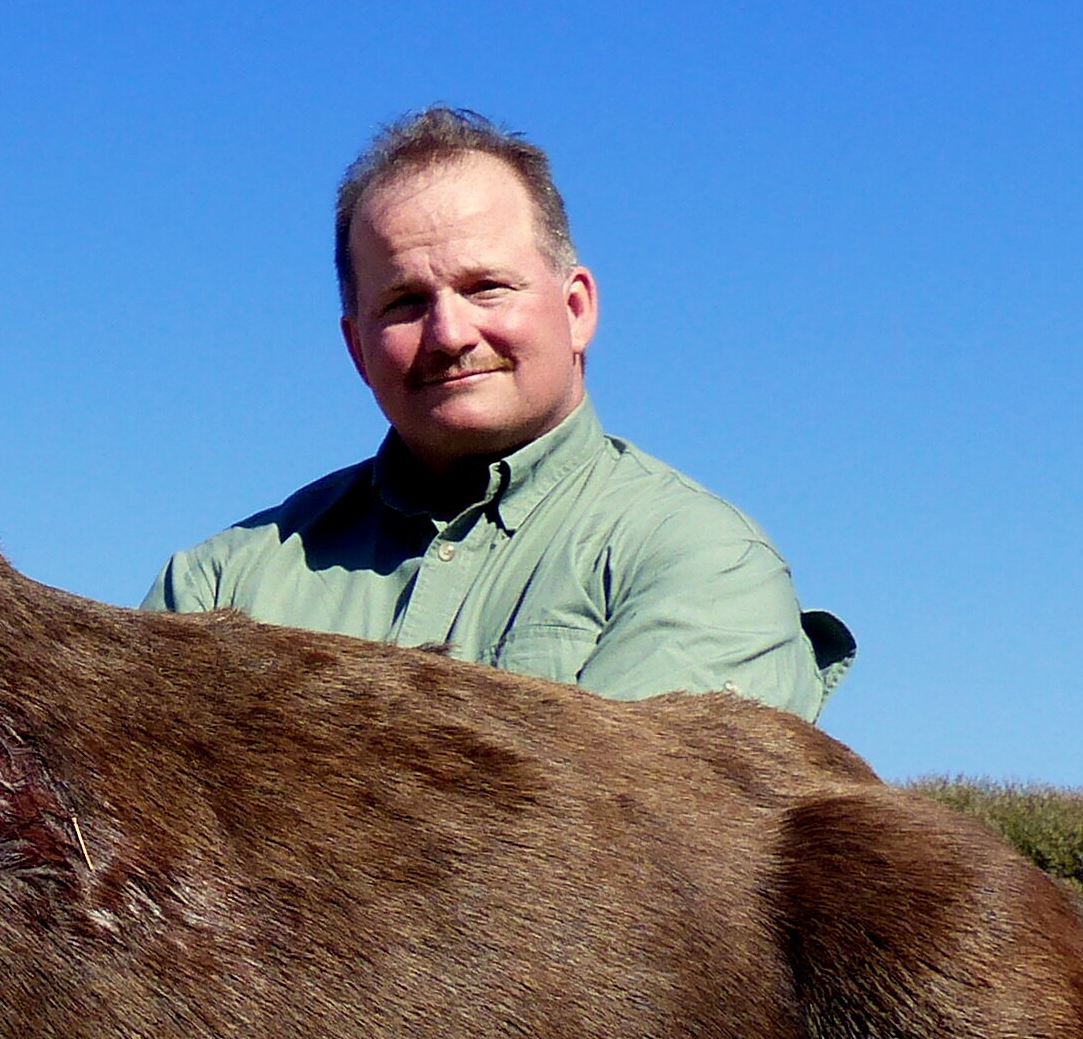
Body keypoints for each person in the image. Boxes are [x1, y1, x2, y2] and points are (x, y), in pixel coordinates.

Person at [146, 106, 851, 719]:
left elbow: (620, 845)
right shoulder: (217, 586)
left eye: (486, 287)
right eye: (403, 303)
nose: (450, 334)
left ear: (576, 309)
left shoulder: (701, 560)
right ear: (357, 348)